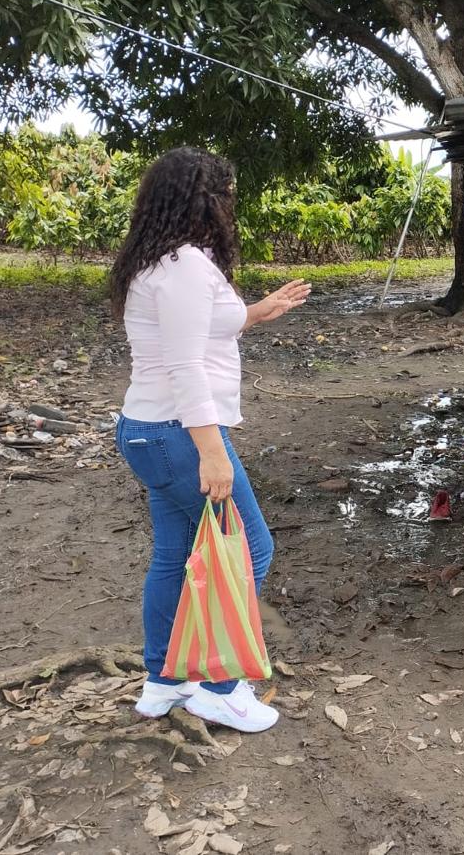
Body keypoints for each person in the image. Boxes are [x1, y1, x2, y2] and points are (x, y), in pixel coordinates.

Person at [110, 147, 310, 733]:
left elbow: (201, 328)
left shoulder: (161, 260)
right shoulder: (185, 266)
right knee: (249, 550)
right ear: (204, 200)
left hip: (149, 432)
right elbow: (186, 366)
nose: (229, 207)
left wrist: (258, 312)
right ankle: (220, 689)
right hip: (177, 434)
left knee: (175, 556)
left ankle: (164, 681)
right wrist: (213, 451)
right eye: (225, 196)